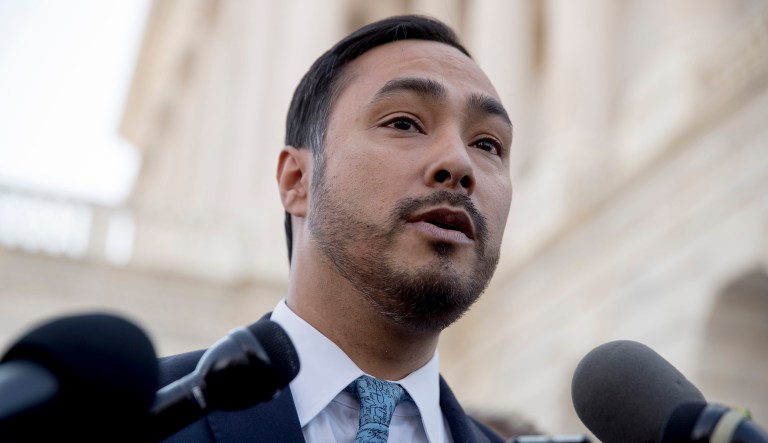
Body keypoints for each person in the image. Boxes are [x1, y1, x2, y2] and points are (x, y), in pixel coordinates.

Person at [159, 14, 513, 443]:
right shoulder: (125, 417)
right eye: (404, 123)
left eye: (487, 144)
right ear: (297, 180)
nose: (459, 162)